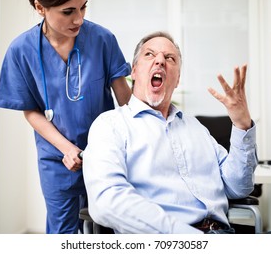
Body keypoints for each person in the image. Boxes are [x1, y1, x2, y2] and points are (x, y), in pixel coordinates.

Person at [83, 31, 258, 234]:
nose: (160, 61)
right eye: (149, 55)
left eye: (169, 58)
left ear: (177, 79)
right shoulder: (110, 125)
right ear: (134, 71)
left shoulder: (196, 128)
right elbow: (108, 200)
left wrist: (242, 124)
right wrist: (187, 238)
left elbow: (238, 187)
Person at [0, 0, 131, 234]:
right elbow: (31, 111)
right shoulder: (20, 50)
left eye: (83, 7)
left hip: (106, 155)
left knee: (111, 229)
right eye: (68, 11)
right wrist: (67, 148)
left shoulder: (102, 39)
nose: (79, 18)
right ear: (40, 8)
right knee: (62, 234)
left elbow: (125, 99)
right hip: (56, 159)